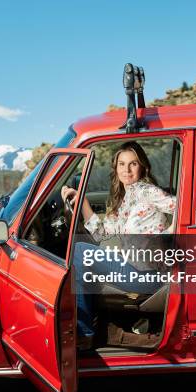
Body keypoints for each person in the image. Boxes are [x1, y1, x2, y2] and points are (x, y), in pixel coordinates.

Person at [61, 141, 177, 349]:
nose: (127, 169)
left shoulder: (146, 191)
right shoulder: (126, 198)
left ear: (142, 166)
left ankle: (82, 332)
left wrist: (168, 235)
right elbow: (101, 233)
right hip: (134, 267)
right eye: (122, 164)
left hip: (148, 274)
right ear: (115, 168)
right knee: (83, 256)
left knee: (79, 251)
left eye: (133, 164)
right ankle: (86, 327)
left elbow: (183, 207)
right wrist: (81, 201)